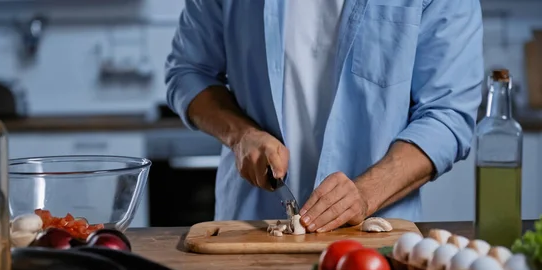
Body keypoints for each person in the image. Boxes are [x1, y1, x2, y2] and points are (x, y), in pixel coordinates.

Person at [165, 0, 484, 233]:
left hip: (375, 241)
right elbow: (188, 71)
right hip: (249, 230)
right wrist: (240, 134)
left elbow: (448, 113)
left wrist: (365, 193)